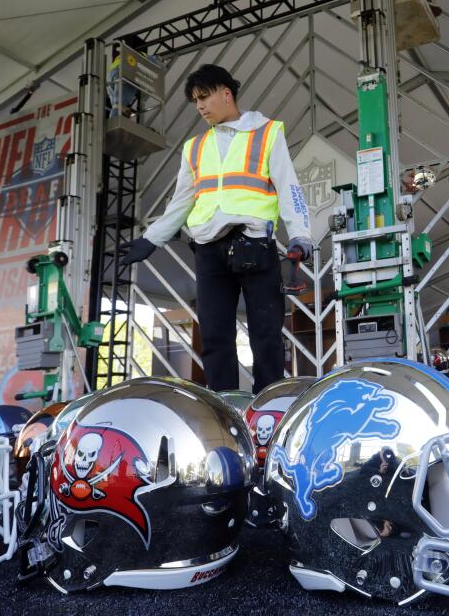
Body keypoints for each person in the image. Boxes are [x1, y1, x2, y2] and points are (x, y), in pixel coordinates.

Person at [119, 65, 312, 393]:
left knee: (266, 336)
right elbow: (181, 201)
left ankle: (268, 411)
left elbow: (289, 186)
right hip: (209, 252)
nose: (200, 106)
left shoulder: (266, 133)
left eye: (204, 97)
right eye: (195, 100)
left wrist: (301, 235)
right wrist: (151, 240)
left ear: (227, 93)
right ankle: (224, 410)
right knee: (214, 337)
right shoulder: (194, 147)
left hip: (254, 245)